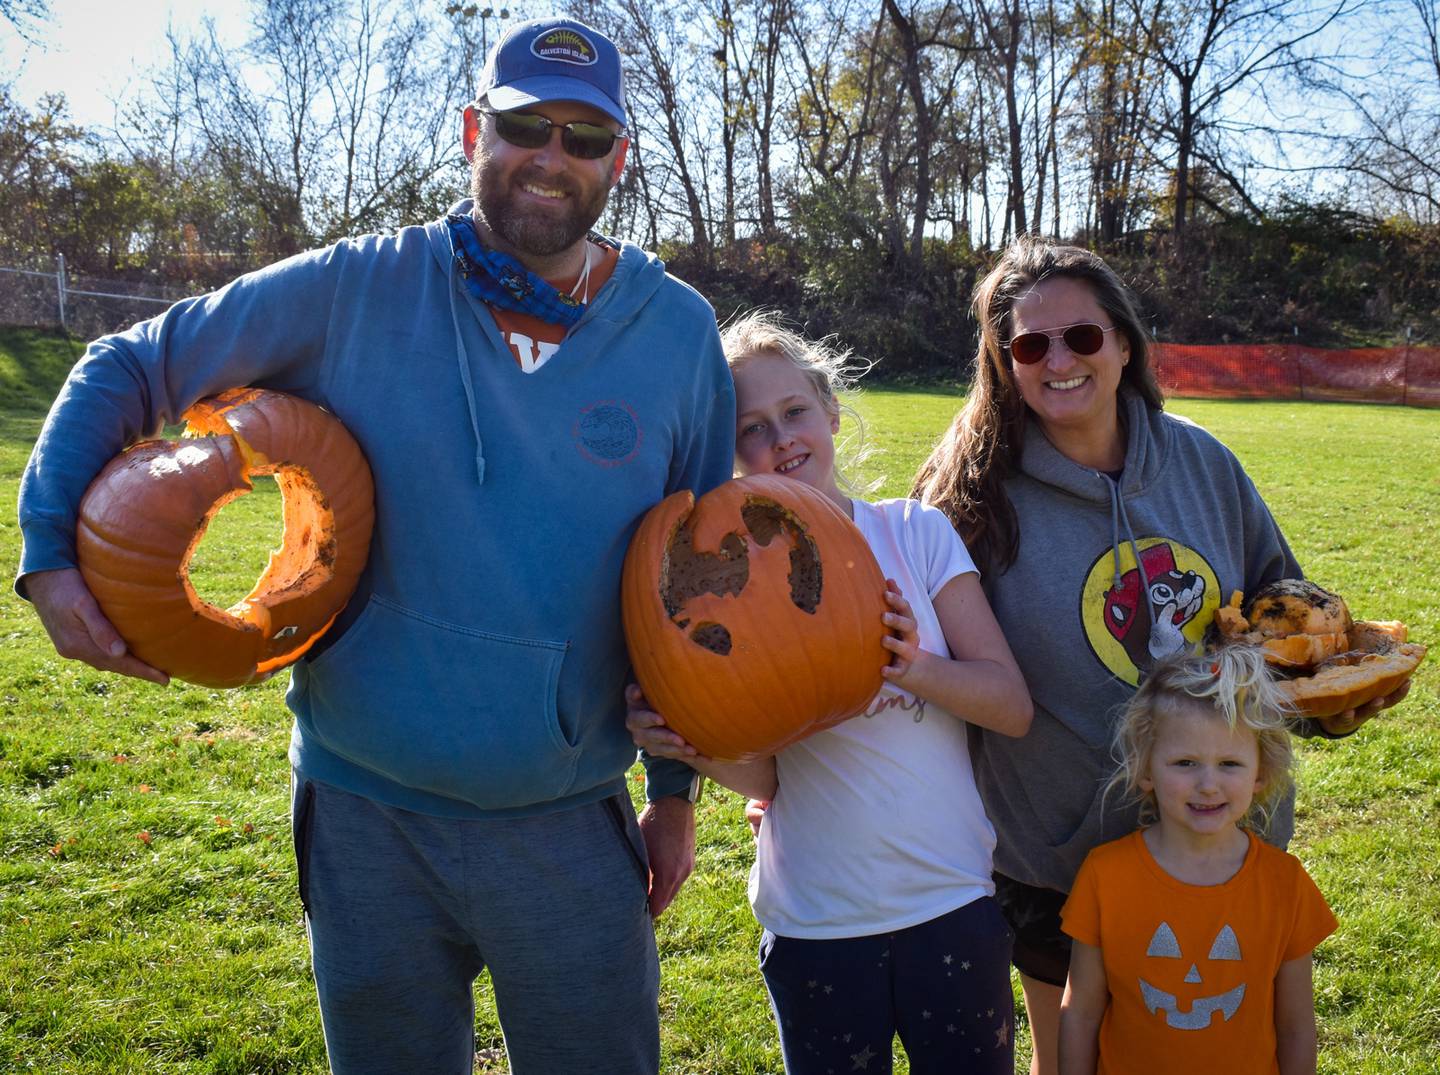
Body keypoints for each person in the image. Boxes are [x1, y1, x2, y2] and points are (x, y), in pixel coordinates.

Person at [16, 17, 733, 1074]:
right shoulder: (353, 289)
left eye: (586, 137)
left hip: (569, 817)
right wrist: (48, 551)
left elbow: (703, 584)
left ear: (618, 159)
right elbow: (130, 362)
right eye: (526, 125)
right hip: (364, 821)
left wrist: (673, 799)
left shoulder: (676, 336)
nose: (554, 157)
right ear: (470, 131)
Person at [909, 236, 1404, 1074]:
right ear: (1003, 361)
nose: (1059, 360)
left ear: (1125, 343)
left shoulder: (1204, 463)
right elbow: (920, 668)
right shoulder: (968, 496)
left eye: (1083, 337)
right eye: (1030, 344)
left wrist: (1337, 699)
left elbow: (1286, 614)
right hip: (1057, 857)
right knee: (1071, 1058)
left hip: (1223, 843)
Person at [627, 311, 1033, 1075]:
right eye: (749, 428)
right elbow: (769, 777)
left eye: (793, 412)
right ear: (726, 449)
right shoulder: (733, 585)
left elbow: (1009, 704)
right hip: (816, 920)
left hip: (950, 904)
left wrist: (915, 665)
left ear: (831, 411)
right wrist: (692, 744)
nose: (777, 438)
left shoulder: (914, 534)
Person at [1058, 644, 1337, 1074]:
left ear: (1260, 772)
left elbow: (1297, 1027)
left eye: (1229, 763)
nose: (1208, 785)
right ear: (1146, 770)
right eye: (1185, 762)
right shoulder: (1104, 875)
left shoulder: (1285, 884)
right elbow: (1080, 1013)